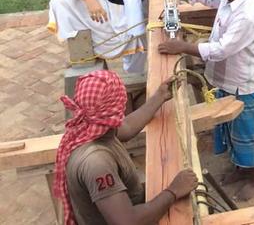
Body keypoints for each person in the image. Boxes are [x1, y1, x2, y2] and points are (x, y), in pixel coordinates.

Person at [158, 0, 254, 200]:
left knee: (246, 134)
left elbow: (221, 50)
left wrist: (182, 46)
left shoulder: (246, 15)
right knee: (229, 128)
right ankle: (241, 169)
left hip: (242, 83)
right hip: (224, 78)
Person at [55, 70, 198, 225]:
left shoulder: (91, 126)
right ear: (115, 107)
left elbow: (128, 127)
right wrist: (174, 191)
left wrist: (160, 96)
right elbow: (126, 222)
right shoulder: (96, 163)